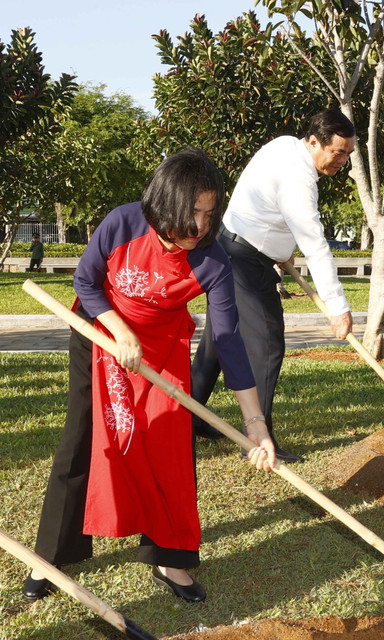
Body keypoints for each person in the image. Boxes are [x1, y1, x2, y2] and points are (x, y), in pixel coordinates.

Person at [23, 147, 276, 605]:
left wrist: (255, 425)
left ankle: (170, 559)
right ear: (164, 205)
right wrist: (119, 332)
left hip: (162, 347)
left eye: (209, 212)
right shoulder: (122, 223)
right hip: (99, 332)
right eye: (191, 213)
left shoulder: (213, 261)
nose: (200, 226)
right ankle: (50, 557)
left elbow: (230, 340)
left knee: (171, 446)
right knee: (83, 438)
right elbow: (85, 283)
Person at [190, 109, 356, 462]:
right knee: (267, 344)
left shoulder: (285, 145)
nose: (343, 160)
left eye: (348, 154)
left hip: (232, 247)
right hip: (243, 261)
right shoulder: (300, 179)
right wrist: (337, 306)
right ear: (314, 142)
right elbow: (315, 243)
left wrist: (280, 248)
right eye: (338, 152)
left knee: (219, 341)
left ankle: (188, 419)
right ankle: (258, 438)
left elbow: (265, 205)